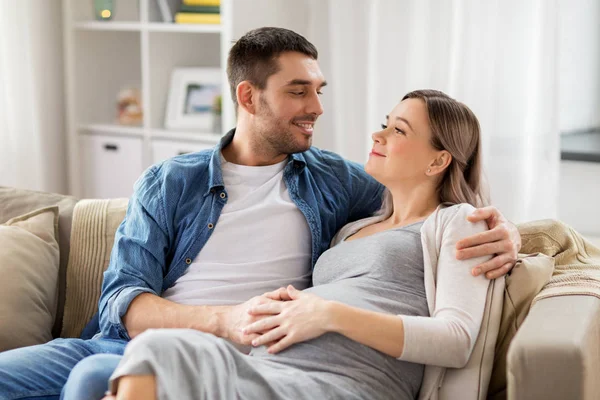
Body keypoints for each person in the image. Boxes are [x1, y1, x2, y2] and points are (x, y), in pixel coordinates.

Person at [0, 27, 519, 400]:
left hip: (255, 361)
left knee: (92, 385)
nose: (316, 107)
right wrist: (225, 320)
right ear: (249, 96)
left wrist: (509, 234)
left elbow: (435, 204)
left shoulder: (336, 182)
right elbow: (122, 300)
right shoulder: (171, 181)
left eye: (318, 91)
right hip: (132, 343)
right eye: (298, 91)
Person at [102, 89, 499, 400]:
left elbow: (455, 340)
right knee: (156, 350)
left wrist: (329, 314)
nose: (377, 135)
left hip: (346, 384)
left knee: (151, 359)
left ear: (438, 162)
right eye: (385, 123)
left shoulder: (456, 222)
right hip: (266, 369)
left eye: (399, 130)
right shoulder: (355, 226)